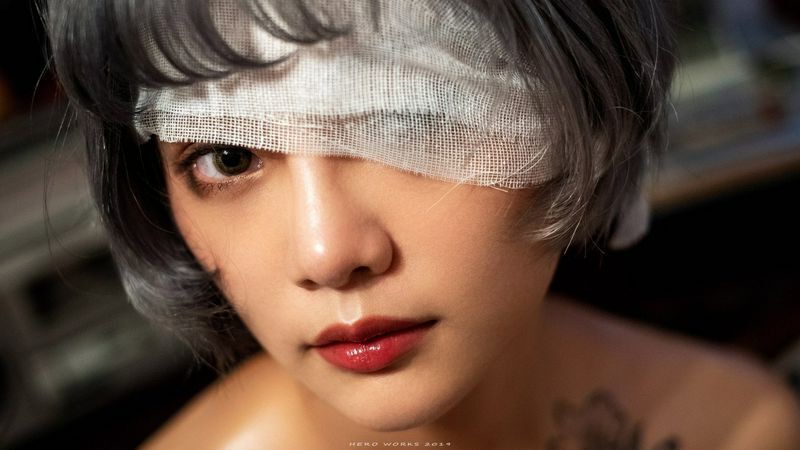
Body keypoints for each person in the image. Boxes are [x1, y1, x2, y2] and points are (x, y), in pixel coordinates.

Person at [46, 0, 800, 448]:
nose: (328, 251)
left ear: (589, 122)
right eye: (229, 156)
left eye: (409, 122)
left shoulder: (739, 428)